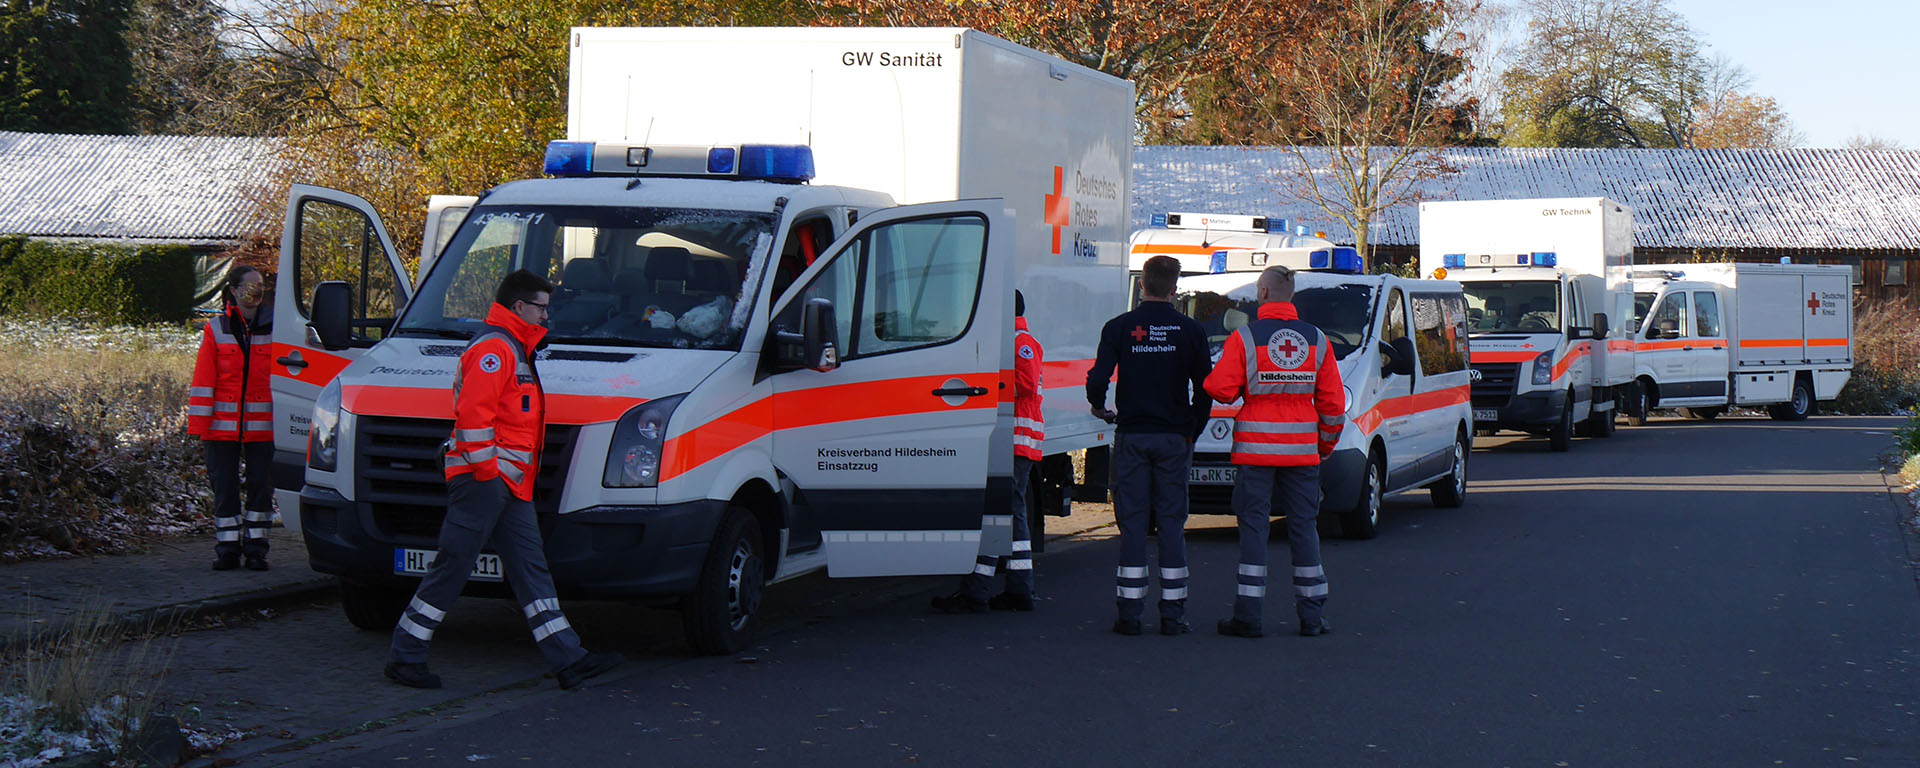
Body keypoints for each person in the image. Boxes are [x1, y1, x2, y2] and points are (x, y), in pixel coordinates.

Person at [385, 269, 624, 691]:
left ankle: (569, 658)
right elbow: (474, 419)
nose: (546, 316)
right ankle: (405, 654)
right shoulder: (496, 350)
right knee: (454, 564)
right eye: (541, 307)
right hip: (486, 481)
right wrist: (487, 473)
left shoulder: (512, 349)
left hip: (505, 483)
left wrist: (498, 477)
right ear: (519, 307)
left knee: (530, 569)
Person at [1202, 265, 1343, 638]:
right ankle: (1312, 617)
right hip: (1302, 454)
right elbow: (1332, 405)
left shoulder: (1245, 338)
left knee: (1253, 529)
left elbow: (1220, 389)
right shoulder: (1317, 340)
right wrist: (1324, 446)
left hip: (1255, 453)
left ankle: (1249, 616)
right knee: (1304, 528)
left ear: (1262, 294)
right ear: (1291, 296)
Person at [1086, 255, 1212, 636]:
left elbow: (1098, 377)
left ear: (1142, 285)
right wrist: (1193, 428)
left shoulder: (1121, 327)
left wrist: (1099, 407)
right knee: (1172, 523)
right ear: (1175, 288)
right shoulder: (1190, 330)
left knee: (1134, 523)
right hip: (1174, 436)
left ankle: (1129, 613)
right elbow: (1206, 389)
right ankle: (1173, 614)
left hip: (1133, 436)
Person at [933, 290, 1043, 613]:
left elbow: (1023, 383)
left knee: (1004, 513)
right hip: (1014, 442)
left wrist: (982, 383)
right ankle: (999, 589)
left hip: (1014, 441)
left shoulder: (1019, 342)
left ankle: (992, 590)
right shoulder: (1018, 340)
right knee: (1004, 516)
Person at [188, 266, 276, 571]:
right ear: (234, 291)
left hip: (265, 428)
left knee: (261, 488)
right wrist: (199, 425)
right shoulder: (216, 329)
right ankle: (227, 549)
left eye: (260, 286)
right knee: (224, 489)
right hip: (220, 427)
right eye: (250, 287)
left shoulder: (277, 328)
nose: (256, 292)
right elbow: (204, 378)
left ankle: (256, 549)